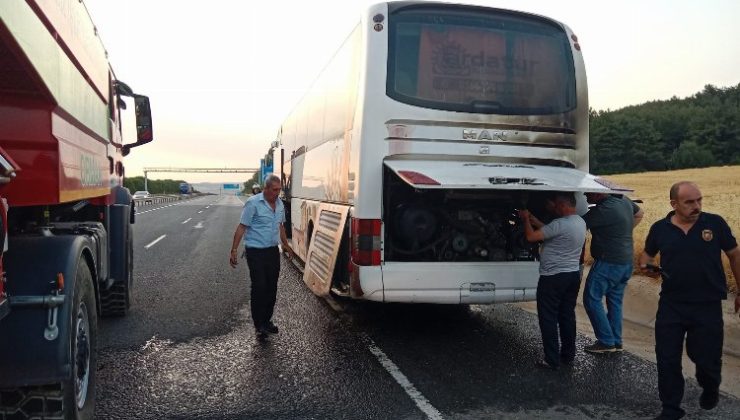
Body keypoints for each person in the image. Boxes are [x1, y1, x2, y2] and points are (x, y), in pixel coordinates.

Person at [639, 181, 740, 420]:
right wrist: (645, 264)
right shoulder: (660, 229)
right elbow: (647, 253)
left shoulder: (714, 223)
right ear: (674, 204)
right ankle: (671, 409)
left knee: (705, 357)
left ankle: (710, 384)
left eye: (699, 200)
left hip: (708, 304)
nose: (697, 206)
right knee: (666, 357)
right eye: (689, 202)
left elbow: (734, 254)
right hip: (672, 303)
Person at [519, 191, 587, 369]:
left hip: (553, 278)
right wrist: (536, 221)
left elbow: (531, 237)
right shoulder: (580, 222)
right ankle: (568, 355)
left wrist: (526, 219)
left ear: (564, 205)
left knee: (548, 318)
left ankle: (551, 359)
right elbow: (552, 232)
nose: (554, 207)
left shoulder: (559, 224)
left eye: (556, 204)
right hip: (573, 276)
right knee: (567, 316)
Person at [230, 174, 294, 341]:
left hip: (273, 251)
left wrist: (286, 245)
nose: (277, 193)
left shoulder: (279, 204)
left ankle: (266, 321)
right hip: (255, 251)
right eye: (274, 190)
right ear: (266, 188)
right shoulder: (253, 203)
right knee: (259, 287)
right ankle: (259, 325)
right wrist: (234, 250)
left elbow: (280, 226)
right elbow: (242, 227)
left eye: (279, 190)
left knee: (271, 287)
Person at [582, 193, 644, 353]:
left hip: (608, 262)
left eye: (588, 192)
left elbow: (576, 225)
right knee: (615, 302)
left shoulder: (602, 210)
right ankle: (616, 341)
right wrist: (622, 230)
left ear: (598, 194)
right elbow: (639, 213)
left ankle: (606, 341)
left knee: (591, 298)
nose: (584, 194)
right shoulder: (623, 199)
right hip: (626, 262)